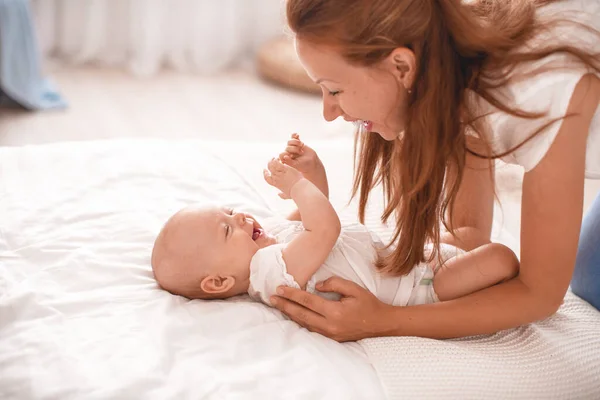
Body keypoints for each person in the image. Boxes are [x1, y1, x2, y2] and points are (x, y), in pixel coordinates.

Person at [267, 0, 600, 341]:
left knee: (591, 282)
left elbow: (540, 294)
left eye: (334, 89)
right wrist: (369, 264)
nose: (329, 112)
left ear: (401, 66)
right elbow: (468, 233)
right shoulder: (451, 65)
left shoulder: (538, 95)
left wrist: (384, 320)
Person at [150, 135, 518, 309]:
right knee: (501, 257)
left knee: (467, 236)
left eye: (229, 211)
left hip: (406, 258)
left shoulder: (268, 243)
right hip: (421, 287)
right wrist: (295, 186)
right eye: (228, 228)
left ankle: (474, 142)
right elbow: (325, 229)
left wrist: (310, 172)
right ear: (219, 282)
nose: (240, 216)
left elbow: (311, 213)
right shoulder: (271, 276)